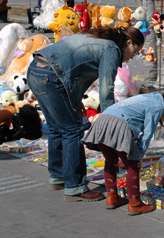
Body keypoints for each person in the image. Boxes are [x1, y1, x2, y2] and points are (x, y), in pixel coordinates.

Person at [27, 27, 144, 202]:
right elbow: (106, 90)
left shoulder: (92, 36)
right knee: (73, 130)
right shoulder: (111, 49)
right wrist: (111, 123)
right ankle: (75, 187)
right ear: (127, 43)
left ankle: (58, 177)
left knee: (57, 127)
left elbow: (74, 69)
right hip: (52, 77)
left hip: (37, 69)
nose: (133, 56)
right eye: (135, 50)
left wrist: (73, 99)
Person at [82, 93, 164, 215]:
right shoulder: (158, 106)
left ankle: (112, 197)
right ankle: (135, 203)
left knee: (111, 160)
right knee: (133, 166)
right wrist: (139, 155)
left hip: (102, 121)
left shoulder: (148, 97)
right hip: (119, 124)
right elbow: (147, 134)